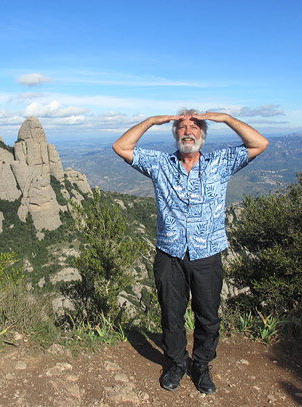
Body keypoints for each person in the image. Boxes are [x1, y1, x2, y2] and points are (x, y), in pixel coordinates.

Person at [112, 109, 268, 394]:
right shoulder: (160, 163)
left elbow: (259, 144)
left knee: (208, 315)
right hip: (170, 253)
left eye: (194, 127)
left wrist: (227, 119)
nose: (188, 131)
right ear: (175, 134)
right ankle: (176, 363)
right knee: (172, 314)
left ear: (202, 135)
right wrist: (151, 121)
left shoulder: (221, 162)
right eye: (182, 127)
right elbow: (121, 147)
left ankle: (202, 364)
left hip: (207, 254)